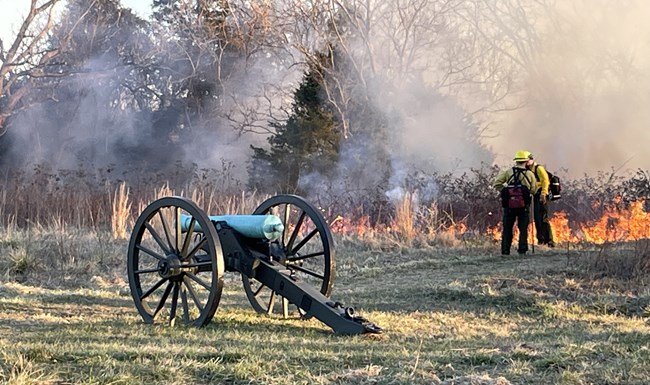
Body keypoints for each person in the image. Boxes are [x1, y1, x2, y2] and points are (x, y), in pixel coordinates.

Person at [493, 150, 538, 255]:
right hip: (524, 206)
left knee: (507, 228)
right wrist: (526, 194)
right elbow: (534, 189)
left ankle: (505, 251)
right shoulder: (530, 174)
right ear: (526, 161)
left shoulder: (508, 172)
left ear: (516, 161)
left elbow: (497, 183)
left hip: (509, 206)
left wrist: (505, 191)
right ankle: (522, 250)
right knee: (523, 229)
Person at [526, 153, 556, 247]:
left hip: (541, 195)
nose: (525, 163)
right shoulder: (527, 170)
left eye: (526, 160)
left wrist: (543, 194)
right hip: (534, 195)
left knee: (543, 218)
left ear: (531, 160)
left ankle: (549, 241)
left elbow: (545, 181)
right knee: (537, 218)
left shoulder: (538, 168)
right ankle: (541, 240)